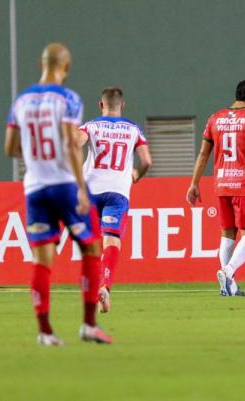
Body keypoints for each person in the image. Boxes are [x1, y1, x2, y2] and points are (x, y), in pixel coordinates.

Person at [4, 43, 112, 345]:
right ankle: (89, 325)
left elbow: (10, 148)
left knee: (42, 261)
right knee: (91, 247)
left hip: (34, 187)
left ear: (41, 64)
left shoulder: (21, 101)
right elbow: (69, 143)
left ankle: (45, 332)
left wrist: (37, 154)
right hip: (64, 183)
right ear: (65, 67)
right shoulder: (68, 99)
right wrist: (80, 186)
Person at [186, 80, 245, 296]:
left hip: (222, 184)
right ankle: (228, 271)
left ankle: (230, 286)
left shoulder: (214, 119)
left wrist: (194, 183)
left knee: (227, 234)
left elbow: (203, 154)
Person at [78, 87, 152, 313]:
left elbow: (74, 144)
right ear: (123, 105)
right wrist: (136, 175)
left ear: (101, 105)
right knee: (111, 242)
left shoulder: (90, 126)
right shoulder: (133, 130)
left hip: (90, 190)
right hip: (117, 192)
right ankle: (105, 286)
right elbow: (147, 160)